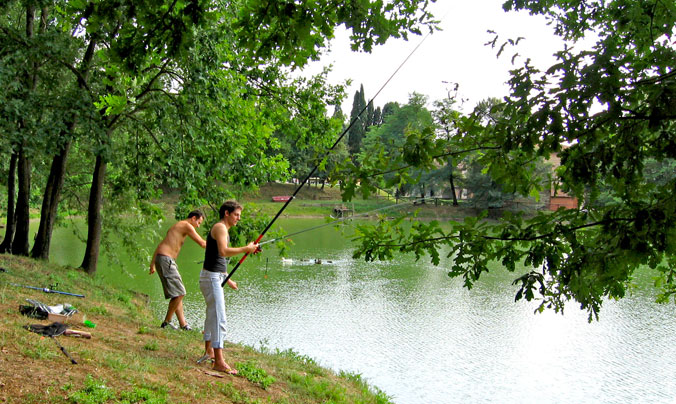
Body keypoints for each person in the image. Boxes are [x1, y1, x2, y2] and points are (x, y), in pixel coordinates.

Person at [198, 200, 258, 374]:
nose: (238, 218)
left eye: (239, 215)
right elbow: (224, 251)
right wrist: (245, 249)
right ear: (226, 213)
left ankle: (209, 352)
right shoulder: (220, 228)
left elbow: (217, 258)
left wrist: (227, 278)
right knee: (219, 318)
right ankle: (219, 361)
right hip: (211, 278)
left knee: (211, 316)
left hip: (213, 276)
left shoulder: (223, 229)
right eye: (236, 215)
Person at [150, 210, 206, 330]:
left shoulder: (176, 226)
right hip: (166, 260)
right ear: (193, 218)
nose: (198, 226)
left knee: (177, 293)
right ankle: (167, 322)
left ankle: (183, 324)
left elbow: (161, 245)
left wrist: (152, 264)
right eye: (199, 222)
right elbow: (202, 243)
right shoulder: (186, 225)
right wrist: (220, 245)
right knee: (180, 292)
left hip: (164, 259)